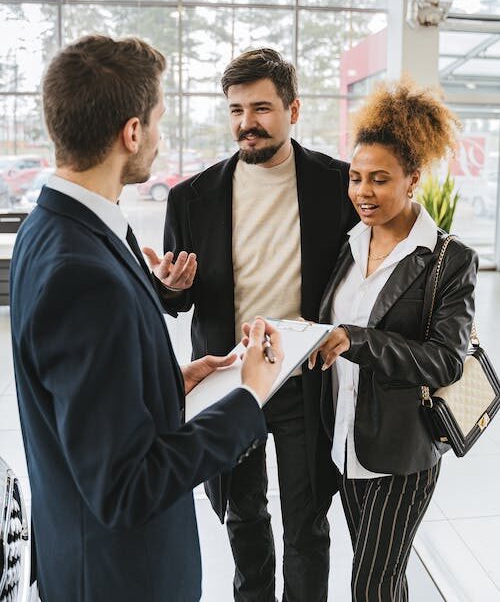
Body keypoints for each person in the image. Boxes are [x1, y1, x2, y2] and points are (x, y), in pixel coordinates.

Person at [9, 35, 285, 602]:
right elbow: (127, 485)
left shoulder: (51, 227)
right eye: (158, 120)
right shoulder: (82, 274)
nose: (160, 137)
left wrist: (167, 387)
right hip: (122, 577)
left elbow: (84, 413)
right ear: (131, 132)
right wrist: (247, 398)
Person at [157, 48, 357, 602]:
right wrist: (171, 288)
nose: (247, 123)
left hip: (302, 378)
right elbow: (178, 299)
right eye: (237, 109)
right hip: (231, 380)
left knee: (307, 522)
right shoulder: (190, 198)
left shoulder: (337, 185)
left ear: (293, 109)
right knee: (242, 517)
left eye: (262, 108)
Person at [309, 78, 478, 601]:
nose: (363, 191)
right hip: (341, 443)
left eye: (379, 179)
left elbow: (447, 361)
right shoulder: (349, 242)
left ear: (413, 179)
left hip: (402, 453)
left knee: (372, 583)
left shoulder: (451, 260)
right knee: (380, 576)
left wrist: (355, 341)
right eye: (356, 178)